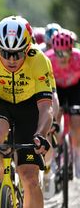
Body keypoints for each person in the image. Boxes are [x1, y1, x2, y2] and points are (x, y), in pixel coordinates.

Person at [0, 16, 53, 208]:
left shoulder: (38, 59)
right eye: (6, 53)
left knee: (30, 178)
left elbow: (45, 106)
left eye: (17, 54)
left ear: (27, 48)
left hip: (29, 106)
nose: (11, 60)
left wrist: (41, 134)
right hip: (0, 102)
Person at [45, 30, 80, 178]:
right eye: (59, 53)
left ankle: (77, 154)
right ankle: (54, 155)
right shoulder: (48, 59)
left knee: (76, 122)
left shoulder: (78, 57)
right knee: (54, 119)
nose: (63, 58)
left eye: (66, 53)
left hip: (75, 88)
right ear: (54, 50)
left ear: (72, 49)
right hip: (57, 89)